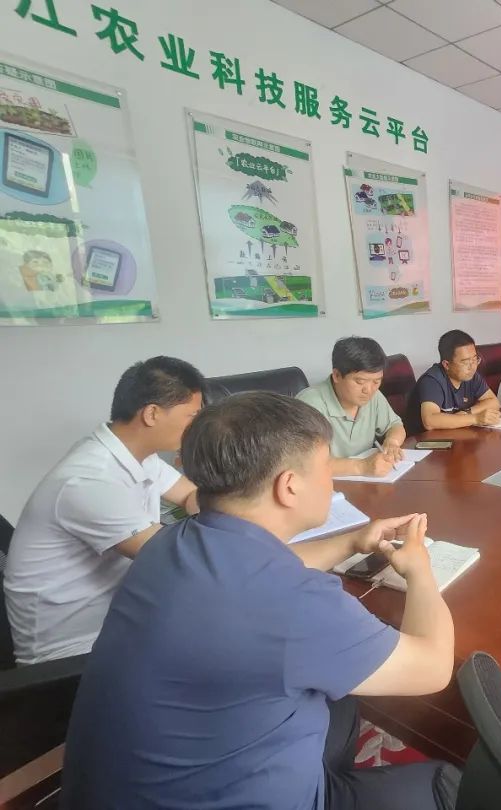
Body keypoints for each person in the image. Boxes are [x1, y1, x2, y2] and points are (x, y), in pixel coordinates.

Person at [63, 392, 457, 809]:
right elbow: (432, 668)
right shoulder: (296, 603)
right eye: (327, 467)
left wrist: (352, 541)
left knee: (339, 703)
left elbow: (265, 569)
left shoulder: (171, 541)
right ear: (289, 486)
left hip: (127, 788)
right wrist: (419, 570)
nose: (331, 479)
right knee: (445, 786)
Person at [4, 356, 204, 664]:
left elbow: (191, 494)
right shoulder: (89, 480)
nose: (197, 426)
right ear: (152, 414)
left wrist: (223, 510)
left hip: (120, 621)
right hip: (72, 654)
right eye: (192, 416)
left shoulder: (136, 454)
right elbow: (174, 558)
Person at [298, 336, 406, 478]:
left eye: (376, 381)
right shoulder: (309, 404)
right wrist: (362, 467)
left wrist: (392, 442)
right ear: (337, 375)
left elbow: (395, 426)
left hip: (363, 484)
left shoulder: (373, 396)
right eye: (360, 381)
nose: (368, 390)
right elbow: (306, 463)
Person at [405, 329, 501, 434]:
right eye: (465, 362)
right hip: (424, 439)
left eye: (475, 359)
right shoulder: (432, 380)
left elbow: (493, 402)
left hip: (454, 435)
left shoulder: (470, 376)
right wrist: (475, 418)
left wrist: (467, 412)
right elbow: (430, 421)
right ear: (446, 364)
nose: (472, 366)